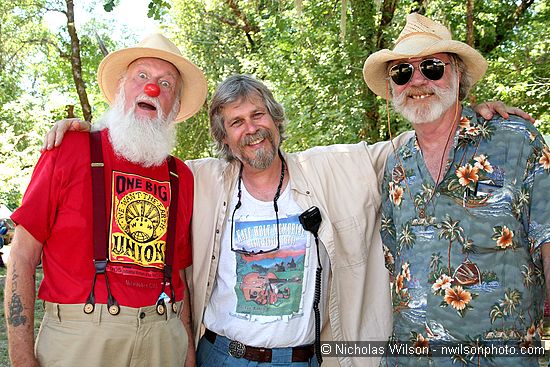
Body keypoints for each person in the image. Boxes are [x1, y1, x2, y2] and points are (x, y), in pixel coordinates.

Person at [43, 73, 527, 367]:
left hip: (302, 359)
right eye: (236, 122)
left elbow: (408, 144)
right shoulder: (200, 180)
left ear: (275, 121)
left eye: (258, 115)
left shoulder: (333, 168)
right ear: (225, 139)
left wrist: (467, 113)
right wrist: (89, 132)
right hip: (222, 357)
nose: (250, 129)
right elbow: (135, 155)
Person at [4, 33, 208, 367]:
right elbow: (23, 256)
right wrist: (22, 359)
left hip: (162, 335)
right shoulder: (68, 150)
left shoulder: (181, 176)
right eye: (141, 77)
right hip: (80, 339)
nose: (152, 89)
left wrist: (186, 355)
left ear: (175, 108)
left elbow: (178, 276)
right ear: (118, 90)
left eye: (166, 84)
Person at [363, 13, 550, 366]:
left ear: (458, 74)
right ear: (391, 87)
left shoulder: (516, 140)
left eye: (432, 67)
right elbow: (395, 265)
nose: (417, 80)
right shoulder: (395, 164)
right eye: (402, 71)